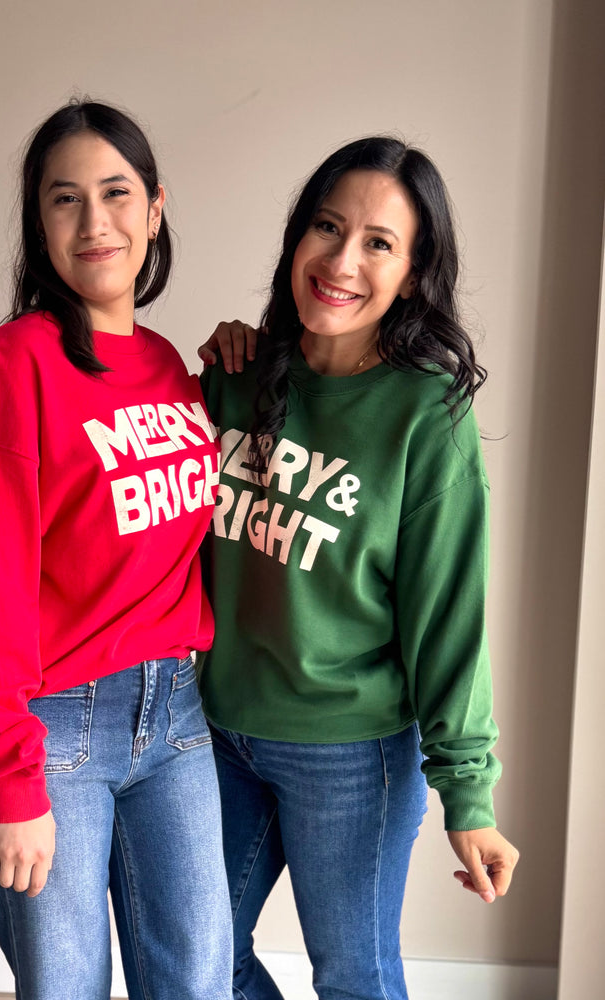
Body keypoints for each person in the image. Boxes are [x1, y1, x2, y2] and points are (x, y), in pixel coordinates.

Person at [0, 100, 232, 1000]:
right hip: (53, 727)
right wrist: (12, 777)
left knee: (197, 982)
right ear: (39, 224)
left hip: (175, 717)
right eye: (64, 200)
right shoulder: (20, 360)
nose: (95, 223)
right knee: (65, 988)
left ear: (155, 209)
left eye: (117, 193)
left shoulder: (174, 366)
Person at [197, 136, 519, 1000]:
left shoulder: (426, 412)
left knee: (354, 976)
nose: (342, 259)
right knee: (192, 959)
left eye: (379, 242)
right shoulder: (236, 377)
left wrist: (469, 794)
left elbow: (448, 611)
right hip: (218, 729)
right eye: (327, 227)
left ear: (413, 273)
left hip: (352, 751)